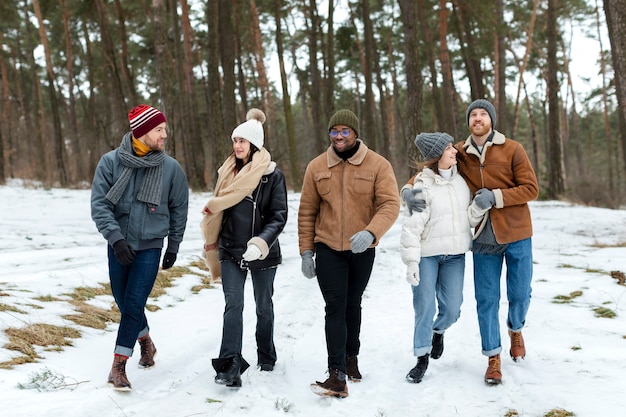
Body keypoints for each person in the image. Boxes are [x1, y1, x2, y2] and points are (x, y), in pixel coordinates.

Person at [402, 99, 539, 385]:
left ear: (491, 119)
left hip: (516, 232)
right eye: (473, 114)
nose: (478, 118)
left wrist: (497, 197)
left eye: (483, 113)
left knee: (520, 294)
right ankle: (493, 357)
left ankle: (515, 327)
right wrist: (407, 189)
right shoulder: (459, 151)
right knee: (486, 300)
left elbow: (531, 188)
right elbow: (429, 171)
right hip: (483, 237)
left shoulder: (513, 148)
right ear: (468, 121)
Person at [298, 109, 400, 398]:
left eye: (345, 131)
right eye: (334, 131)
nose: (339, 136)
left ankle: (351, 359)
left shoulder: (377, 165)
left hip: (362, 250)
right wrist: (307, 252)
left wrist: (371, 232)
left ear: (355, 133)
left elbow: (390, 205)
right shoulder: (317, 167)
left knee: (352, 304)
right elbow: (307, 212)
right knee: (335, 306)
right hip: (328, 248)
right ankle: (336, 373)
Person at [91, 104, 189, 391]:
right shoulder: (110, 163)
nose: (164, 135)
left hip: (150, 246)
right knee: (123, 302)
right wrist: (115, 238)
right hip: (118, 244)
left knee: (134, 303)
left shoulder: (171, 168)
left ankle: (118, 364)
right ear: (142, 131)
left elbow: (179, 207)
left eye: (165, 129)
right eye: (159, 129)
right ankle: (146, 341)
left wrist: (174, 244)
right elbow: (100, 205)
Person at [200, 108, 287, 388]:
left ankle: (266, 354)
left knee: (263, 306)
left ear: (255, 144)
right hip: (230, 248)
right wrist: (213, 237)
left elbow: (279, 216)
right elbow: (221, 209)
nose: (237, 145)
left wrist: (260, 243)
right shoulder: (226, 172)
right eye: (235, 140)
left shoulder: (272, 175)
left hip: (262, 250)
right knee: (233, 305)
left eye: (242, 141)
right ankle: (230, 364)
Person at [399, 132, 488, 384]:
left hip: (454, 256)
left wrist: (479, 207)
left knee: (452, 309)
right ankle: (421, 357)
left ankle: (438, 331)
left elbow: (468, 220)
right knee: (424, 306)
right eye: (449, 148)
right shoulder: (419, 186)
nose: (455, 151)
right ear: (438, 155)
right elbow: (411, 226)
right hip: (427, 256)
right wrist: (412, 262)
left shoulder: (462, 183)